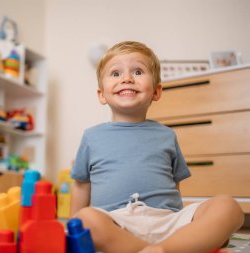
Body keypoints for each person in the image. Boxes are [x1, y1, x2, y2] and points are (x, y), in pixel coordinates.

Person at [70, 41, 244, 253]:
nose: (127, 78)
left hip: (168, 223)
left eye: (138, 71)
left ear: (156, 91)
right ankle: (169, 250)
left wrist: (186, 225)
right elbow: (81, 185)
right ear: (101, 95)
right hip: (116, 223)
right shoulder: (91, 136)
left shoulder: (167, 135)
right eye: (116, 73)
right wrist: (73, 230)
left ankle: (163, 248)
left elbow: (174, 186)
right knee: (85, 219)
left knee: (229, 207)